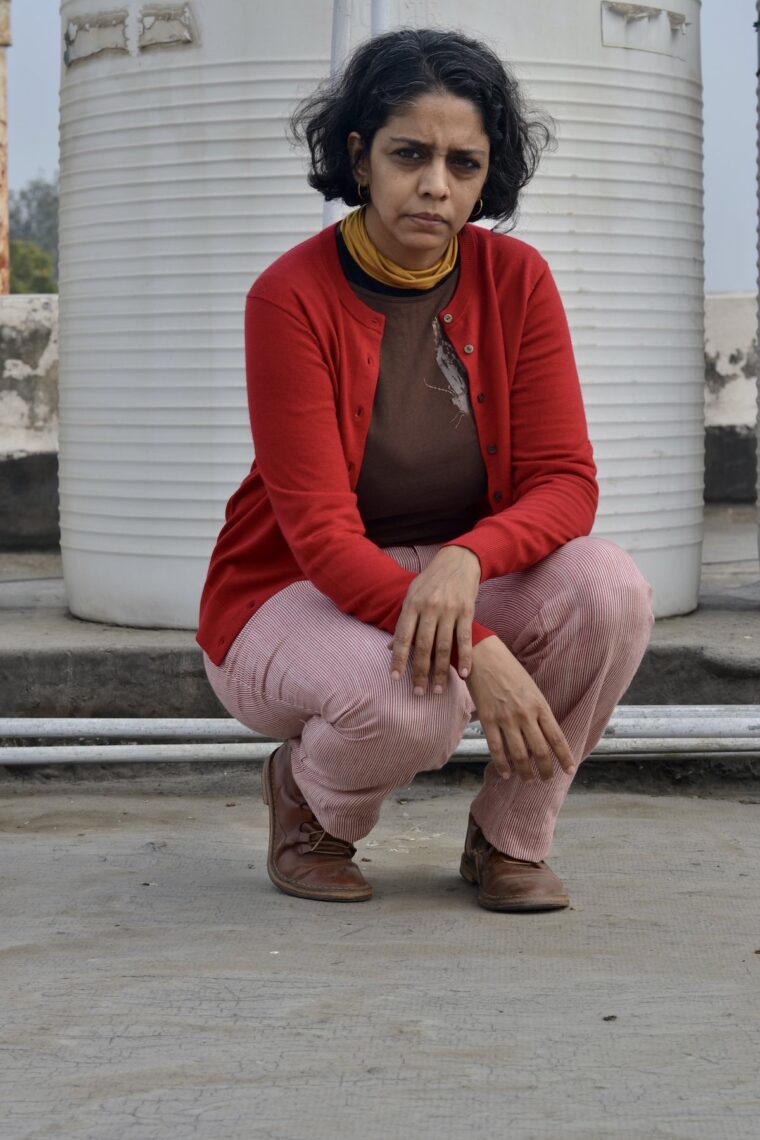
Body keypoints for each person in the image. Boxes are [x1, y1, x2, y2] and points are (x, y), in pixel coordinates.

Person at [197, 27, 653, 911]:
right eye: (411, 155)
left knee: (612, 589)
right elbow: (322, 537)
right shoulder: (289, 298)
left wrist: (468, 559)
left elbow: (568, 480)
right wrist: (475, 645)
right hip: (289, 596)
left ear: (488, 175)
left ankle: (511, 838)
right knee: (418, 703)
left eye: (464, 163)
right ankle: (311, 807)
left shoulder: (516, 280)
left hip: (449, 575)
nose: (437, 186)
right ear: (360, 157)